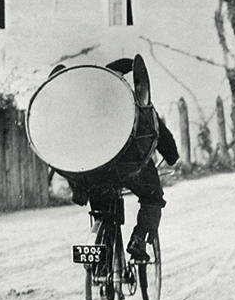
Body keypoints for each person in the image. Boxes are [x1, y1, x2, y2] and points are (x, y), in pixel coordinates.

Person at [50, 58, 179, 261]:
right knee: (153, 199)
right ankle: (138, 239)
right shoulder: (137, 105)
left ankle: (100, 262)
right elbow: (164, 140)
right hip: (128, 170)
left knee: (101, 211)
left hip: (92, 176)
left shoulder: (85, 109)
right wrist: (172, 158)